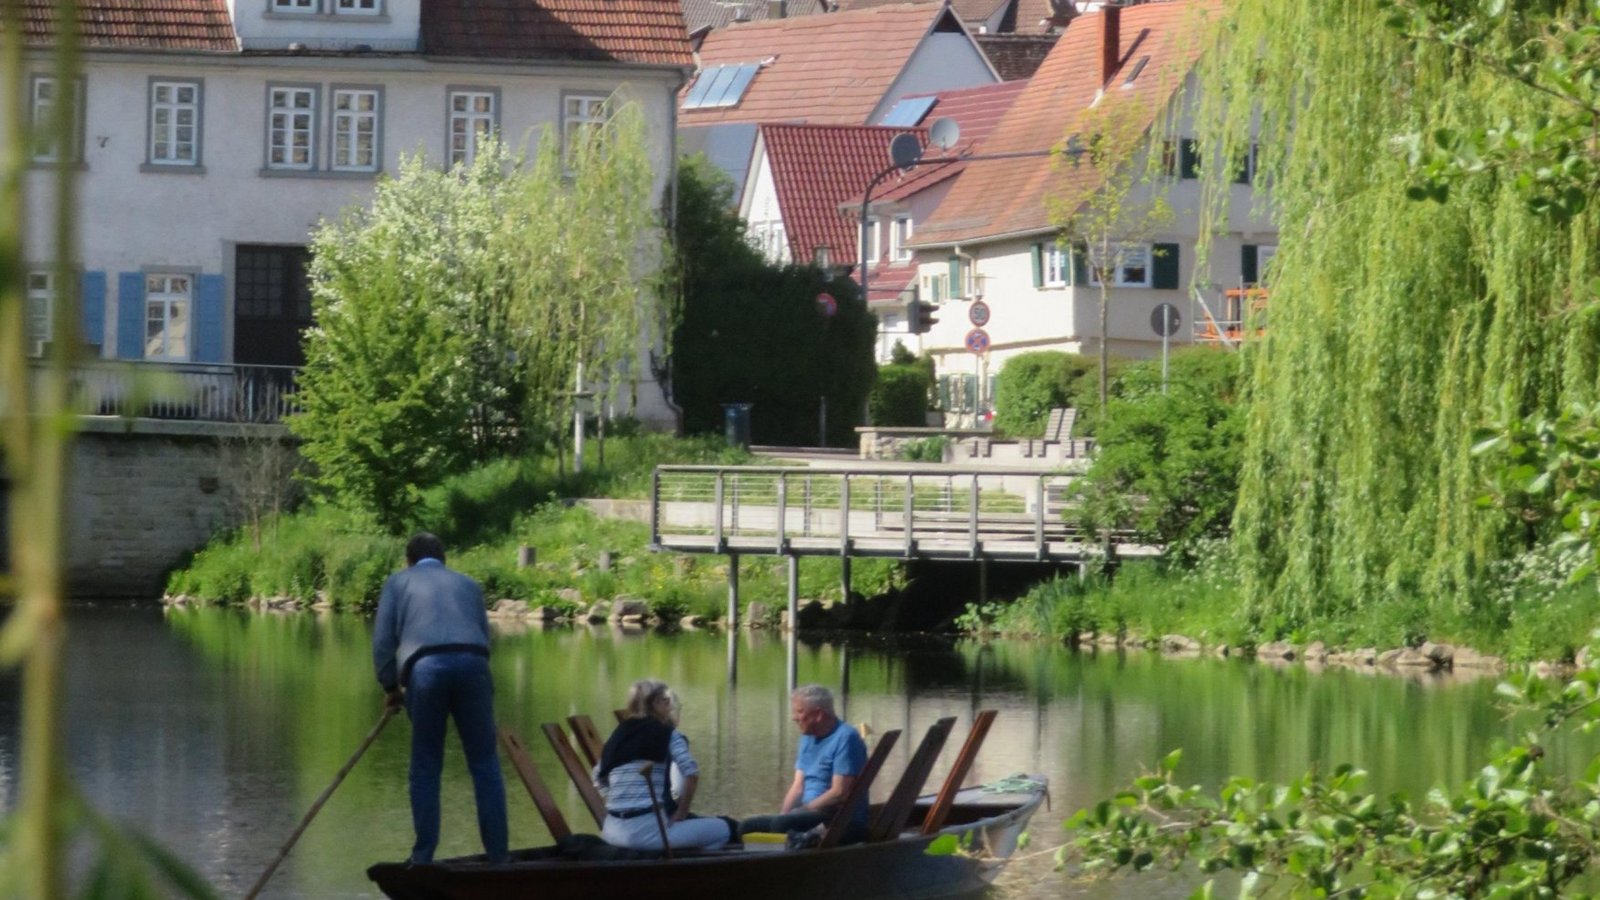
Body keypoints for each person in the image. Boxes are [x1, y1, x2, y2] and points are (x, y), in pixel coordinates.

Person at [372, 532, 508, 865]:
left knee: (426, 765)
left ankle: (422, 856)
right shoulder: (469, 585)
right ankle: (499, 858)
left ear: (409, 560)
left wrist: (390, 687)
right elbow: (484, 636)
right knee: (485, 764)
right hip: (475, 664)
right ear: (444, 559)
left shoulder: (397, 583)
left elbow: (383, 641)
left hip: (427, 668)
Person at [596, 679, 734, 851]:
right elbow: (691, 773)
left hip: (611, 832)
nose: (670, 706)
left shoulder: (617, 736)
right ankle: (687, 874)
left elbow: (598, 778)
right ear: (654, 704)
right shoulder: (667, 733)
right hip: (648, 833)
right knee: (723, 829)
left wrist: (621, 801)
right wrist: (681, 813)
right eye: (666, 701)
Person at [740, 684, 869, 844]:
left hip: (839, 820)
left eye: (800, 712)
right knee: (747, 826)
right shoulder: (807, 736)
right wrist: (785, 813)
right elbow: (797, 787)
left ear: (818, 715)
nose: (794, 717)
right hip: (808, 815)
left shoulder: (846, 738)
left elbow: (839, 793)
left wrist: (803, 810)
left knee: (782, 824)